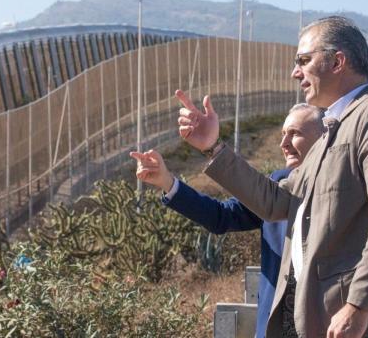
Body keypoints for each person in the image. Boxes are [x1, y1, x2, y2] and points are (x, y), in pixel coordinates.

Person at [174, 16, 368, 337]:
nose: (295, 73)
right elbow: (278, 201)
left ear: (337, 61)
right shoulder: (333, 129)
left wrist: (359, 304)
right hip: (326, 318)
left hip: (363, 324)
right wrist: (213, 148)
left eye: (304, 61)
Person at [132, 103, 325, 337]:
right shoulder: (275, 187)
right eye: (283, 134)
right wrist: (166, 182)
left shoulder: (350, 190)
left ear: (325, 137)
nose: (283, 144)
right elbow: (221, 216)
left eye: (295, 133)